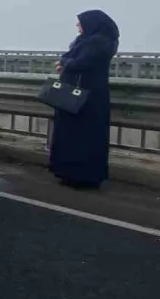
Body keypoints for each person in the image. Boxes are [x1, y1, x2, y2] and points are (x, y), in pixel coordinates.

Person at [48, 10, 120, 190]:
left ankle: (82, 176)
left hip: (87, 97)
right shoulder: (89, 40)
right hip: (80, 93)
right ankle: (69, 173)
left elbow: (82, 62)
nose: (77, 26)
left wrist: (65, 64)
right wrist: (65, 62)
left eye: (80, 23)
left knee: (82, 137)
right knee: (73, 135)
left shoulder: (100, 42)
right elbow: (69, 57)